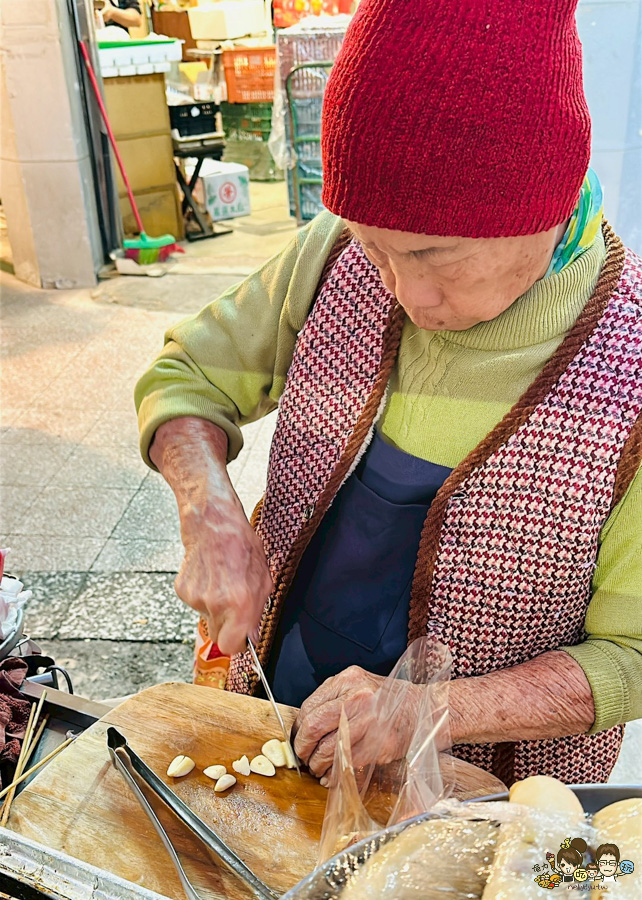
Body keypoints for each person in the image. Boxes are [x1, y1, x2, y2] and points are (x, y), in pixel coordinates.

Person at [135, 0, 642, 786]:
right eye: (376, 252)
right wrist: (210, 517)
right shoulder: (334, 256)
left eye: (435, 257)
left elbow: (632, 657)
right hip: (281, 707)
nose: (404, 295)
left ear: (544, 207)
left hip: (481, 787)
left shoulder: (630, 367)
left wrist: (432, 710)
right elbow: (187, 380)